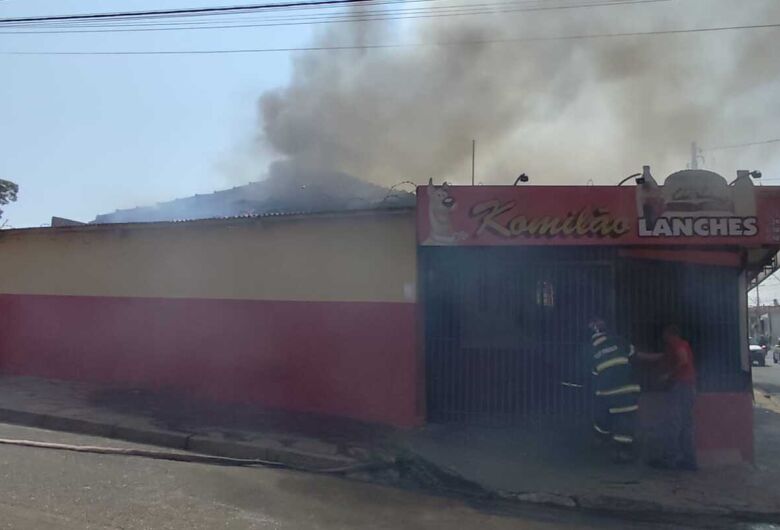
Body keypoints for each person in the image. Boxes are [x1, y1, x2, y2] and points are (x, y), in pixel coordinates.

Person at [587, 316, 641, 463]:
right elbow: (633, 353)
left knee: (605, 419)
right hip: (627, 388)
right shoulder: (618, 340)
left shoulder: (590, 349)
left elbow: (594, 373)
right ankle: (623, 453)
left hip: (606, 392)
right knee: (625, 421)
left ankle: (601, 440)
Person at [649, 324, 698, 471]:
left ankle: (671, 460)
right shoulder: (674, 346)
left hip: (681, 386)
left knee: (674, 423)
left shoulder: (677, 344)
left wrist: (667, 375)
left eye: (665, 334)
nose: (663, 337)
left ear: (670, 334)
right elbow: (660, 357)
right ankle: (688, 460)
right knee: (686, 423)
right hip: (688, 387)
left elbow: (683, 361)